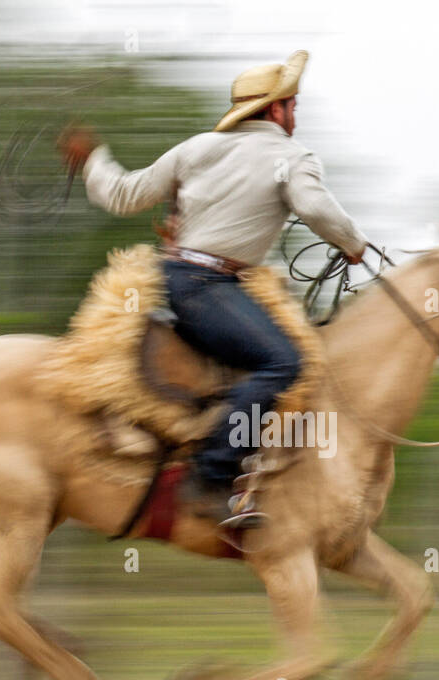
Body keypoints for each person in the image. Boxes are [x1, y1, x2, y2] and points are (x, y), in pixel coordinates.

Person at [57, 50, 368, 527]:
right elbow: (315, 207)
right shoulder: (293, 157)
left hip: (178, 281)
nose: (295, 116)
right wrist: (353, 244)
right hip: (211, 287)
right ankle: (211, 477)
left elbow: (123, 194)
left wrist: (93, 161)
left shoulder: (198, 148)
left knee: (263, 356)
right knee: (285, 362)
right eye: (292, 106)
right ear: (274, 109)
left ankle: (234, 463)